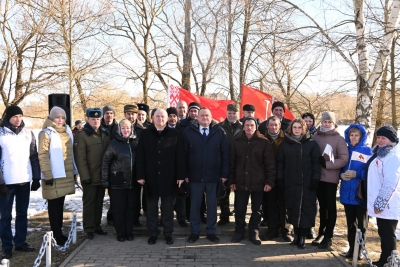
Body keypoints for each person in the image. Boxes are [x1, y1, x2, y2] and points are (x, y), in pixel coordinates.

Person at [136, 109, 185, 245]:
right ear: (152, 118)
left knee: (168, 208)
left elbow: (180, 157)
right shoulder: (145, 134)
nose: (160, 118)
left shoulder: (175, 134)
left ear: (167, 118)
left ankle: (168, 233)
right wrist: (140, 176)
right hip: (150, 177)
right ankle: (153, 233)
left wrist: (181, 176)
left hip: (169, 178)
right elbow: (140, 156)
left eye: (163, 116)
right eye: (157, 116)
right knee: (151, 208)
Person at [183, 108, 229, 243]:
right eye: (202, 115)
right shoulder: (188, 131)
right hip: (194, 176)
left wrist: (224, 174)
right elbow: (183, 155)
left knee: (212, 206)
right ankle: (194, 232)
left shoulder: (220, 132)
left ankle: (211, 232)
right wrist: (184, 174)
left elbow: (225, 155)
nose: (204, 118)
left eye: (207, 115)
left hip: (213, 176)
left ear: (211, 117)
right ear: (197, 117)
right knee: (195, 206)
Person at [0, 105, 41, 259]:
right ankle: (6, 246)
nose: (18, 119)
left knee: (22, 213)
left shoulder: (28, 134)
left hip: (24, 180)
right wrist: (1, 182)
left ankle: (21, 242)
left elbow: (34, 157)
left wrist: (36, 177)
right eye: (14, 116)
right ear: (8, 118)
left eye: (20, 116)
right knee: (5, 216)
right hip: (7, 183)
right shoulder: (1, 134)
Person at [229, 117, 276, 245]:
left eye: (252, 125)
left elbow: (270, 164)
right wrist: (231, 180)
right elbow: (232, 163)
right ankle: (239, 232)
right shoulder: (236, 141)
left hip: (258, 182)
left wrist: (269, 181)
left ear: (256, 127)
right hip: (240, 181)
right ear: (243, 127)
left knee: (257, 210)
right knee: (240, 209)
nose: (249, 128)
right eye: (247, 125)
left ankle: (254, 232)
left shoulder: (264, 142)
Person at [277, 119, 321, 249]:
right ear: (291, 129)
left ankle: (302, 237)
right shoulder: (285, 144)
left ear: (303, 129)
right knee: (293, 208)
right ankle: (296, 235)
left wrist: (315, 179)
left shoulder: (311, 144)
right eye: (294, 127)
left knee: (306, 209)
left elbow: (316, 163)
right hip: (291, 182)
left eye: (299, 127)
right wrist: (280, 178)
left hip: (307, 182)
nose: (296, 129)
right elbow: (281, 163)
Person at [38, 106, 77, 246]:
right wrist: (48, 174)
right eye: (57, 117)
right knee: (54, 207)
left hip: (65, 175)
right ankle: (57, 235)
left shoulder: (67, 132)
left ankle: (59, 232)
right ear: (51, 118)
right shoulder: (46, 133)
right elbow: (42, 155)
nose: (60, 120)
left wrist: (74, 172)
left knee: (60, 205)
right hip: (53, 176)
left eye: (63, 118)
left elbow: (70, 154)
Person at [312, 111, 348, 249]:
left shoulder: (339, 139)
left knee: (330, 207)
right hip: (317, 177)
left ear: (334, 123)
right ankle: (321, 232)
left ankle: (329, 236)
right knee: (322, 207)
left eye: (329, 122)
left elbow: (343, 158)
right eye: (325, 121)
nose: (326, 124)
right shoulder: (315, 136)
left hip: (330, 178)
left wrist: (327, 164)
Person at [74, 108, 110, 239]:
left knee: (99, 202)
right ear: (88, 120)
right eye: (93, 119)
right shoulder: (82, 135)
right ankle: (88, 228)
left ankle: (97, 225)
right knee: (89, 203)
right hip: (89, 176)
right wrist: (85, 177)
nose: (95, 121)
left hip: (102, 176)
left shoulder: (105, 134)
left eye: (98, 119)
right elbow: (80, 158)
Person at [366, 126, 400, 267]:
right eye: (378, 137)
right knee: (383, 232)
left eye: (383, 138)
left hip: (388, 204)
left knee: (388, 233)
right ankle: (384, 259)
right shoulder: (381, 153)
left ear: (391, 140)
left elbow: (391, 183)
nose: (379, 140)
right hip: (380, 203)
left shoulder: (393, 156)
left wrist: (380, 203)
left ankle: (389, 261)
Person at [339, 124, 371, 260]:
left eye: (356, 135)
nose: (353, 137)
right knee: (350, 224)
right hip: (347, 193)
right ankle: (351, 249)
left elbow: (370, 173)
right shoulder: (345, 150)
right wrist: (341, 174)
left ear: (361, 136)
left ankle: (360, 251)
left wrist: (356, 174)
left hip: (360, 195)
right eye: (351, 135)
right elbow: (340, 165)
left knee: (362, 225)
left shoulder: (367, 151)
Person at [102, 119, 137, 242]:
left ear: (131, 129)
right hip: (117, 182)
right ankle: (120, 232)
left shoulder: (135, 143)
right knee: (119, 209)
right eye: (123, 128)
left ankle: (129, 231)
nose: (126, 130)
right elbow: (105, 162)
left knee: (131, 208)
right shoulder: (113, 144)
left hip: (133, 183)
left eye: (128, 128)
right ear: (119, 130)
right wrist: (105, 179)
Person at [262, 116, 291, 242]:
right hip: (268, 178)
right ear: (267, 126)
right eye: (271, 125)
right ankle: (272, 230)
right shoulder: (262, 139)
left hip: (284, 177)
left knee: (284, 206)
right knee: (270, 205)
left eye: (276, 125)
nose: (274, 127)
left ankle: (286, 230)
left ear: (280, 126)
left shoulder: (287, 139)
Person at [217, 104, 242, 225]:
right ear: (226, 113)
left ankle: (239, 217)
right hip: (224, 163)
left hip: (240, 165)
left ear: (238, 114)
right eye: (230, 113)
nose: (232, 115)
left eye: (234, 113)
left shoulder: (244, 127)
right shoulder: (219, 127)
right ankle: (224, 216)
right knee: (224, 192)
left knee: (240, 193)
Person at [166, 107, 187, 227]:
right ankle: (166, 218)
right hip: (166, 168)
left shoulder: (183, 129)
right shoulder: (162, 130)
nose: (172, 118)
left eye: (174, 116)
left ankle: (181, 218)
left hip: (179, 166)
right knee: (166, 196)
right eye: (170, 116)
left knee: (180, 194)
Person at [101, 105, 118, 225]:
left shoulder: (117, 128)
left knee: (114, 195)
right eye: (107, 113)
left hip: (115, 166)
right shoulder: (99, 127)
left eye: (111, 113)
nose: (109, 115)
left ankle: (112, 216)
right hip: (102, 163)